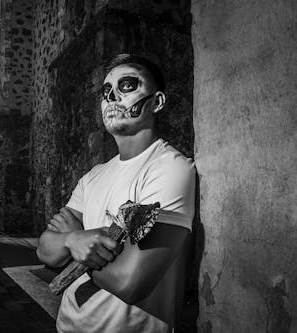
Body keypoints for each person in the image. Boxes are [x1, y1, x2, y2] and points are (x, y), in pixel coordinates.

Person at [36, 54, 196, 333]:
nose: (111, 97)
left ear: (157, 102)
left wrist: (72, 245)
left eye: (127, 86)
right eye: (106, 91)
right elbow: (45, 250)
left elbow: (129, 281)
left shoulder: (169, 169)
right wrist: (75, 238)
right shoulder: (93, 176)